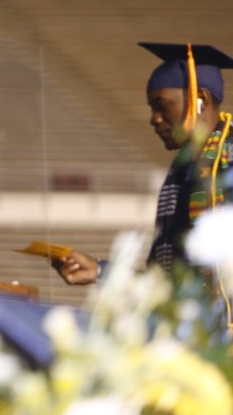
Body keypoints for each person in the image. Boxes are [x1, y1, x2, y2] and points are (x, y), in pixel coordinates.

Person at [57, 42, 233, 285]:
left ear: (200, 98)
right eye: (152, 109)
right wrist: (100, 271)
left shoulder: (227, 161)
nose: (154, 119)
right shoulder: (181, 172)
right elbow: (168, 287)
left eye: (161, 106)